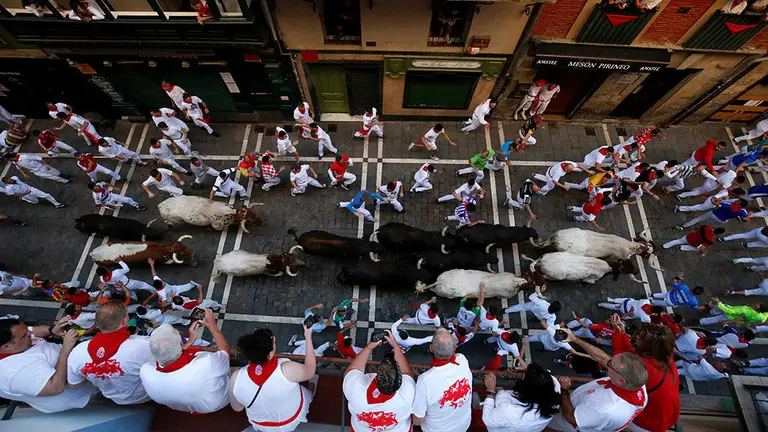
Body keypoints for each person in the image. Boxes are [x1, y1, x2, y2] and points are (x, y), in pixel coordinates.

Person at [548, 329, 649, 432]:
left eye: (610, 365)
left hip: (569, 421)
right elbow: (603, 358)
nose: (606, 364)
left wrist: (564, 391)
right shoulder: (636, 382)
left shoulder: (606, 408)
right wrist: (574, 339)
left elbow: (571, 418)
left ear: (621, 381)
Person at [140, 309, 230, 413]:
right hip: (220, 400)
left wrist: (189, 342)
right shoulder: (205, 362)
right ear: (181, 344)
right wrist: (212, 327)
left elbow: (172, 358)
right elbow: (226, 353)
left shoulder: (145, 371)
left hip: (190, 407)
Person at [229, 325, 318, 431]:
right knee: (306, 393)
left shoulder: (236, 378)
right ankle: (311, 391)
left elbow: (237, 408)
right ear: (270, 354)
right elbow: (310, 370)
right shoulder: (286, 369)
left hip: (261, 425)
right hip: (290, 420)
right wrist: (308, 337)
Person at [0, 317, 95, 413]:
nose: (30, 333)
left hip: (75, 357)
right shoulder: (15, 372)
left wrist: (52, 330)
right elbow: (55, 387)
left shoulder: (15, 335)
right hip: (81, 391)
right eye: (25, 335)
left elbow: (32, 330)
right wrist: (66, 349)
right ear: (6, 347)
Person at [67, 301, 153, 405]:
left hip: (113, 398)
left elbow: (74, 384)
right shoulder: (143, 345)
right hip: (145, 395)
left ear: (98, 324)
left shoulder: (77, 352)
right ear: (124, 321)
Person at [343, 330, 415, 432]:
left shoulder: (356, 390)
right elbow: (408, 374)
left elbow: (351, 371)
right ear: (399, 380)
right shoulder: (408, 393)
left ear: (376, 376)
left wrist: (369, 348)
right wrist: (396, 347)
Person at [411, 327, 473, 432]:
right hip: (463, 426)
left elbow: (417, 421)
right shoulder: (462, 360)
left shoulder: (425, 381)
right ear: (454, 347)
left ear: (431, 348)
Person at [481, 364, 561, 432]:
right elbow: (546, 377)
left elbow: (487, 419)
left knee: (478, 400)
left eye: (523, 376)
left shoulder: (511, 411)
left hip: (499, 422)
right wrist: (527, 369)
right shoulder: (554, 388)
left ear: (525, 390)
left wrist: (490, 391)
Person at [676, 198, 750, 230]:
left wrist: (718, 199)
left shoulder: (728, 205)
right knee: (712, 226)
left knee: (698, 219)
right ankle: (702, 228)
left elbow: (716, 203)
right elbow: (746, 219)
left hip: (713, 214)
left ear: (739, 204)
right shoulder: (743, 212)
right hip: (722, 220)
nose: (736, 200)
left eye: (738, 201)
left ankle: (684, 226)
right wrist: (749, 214)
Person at [4, 153, 69, 185]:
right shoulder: (14, 162)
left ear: (9, 158)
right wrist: (24, 174)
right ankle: (65, 181)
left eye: (7, 159)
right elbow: (19, 168)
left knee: (56, 172)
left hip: (42, 167)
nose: (8, 161)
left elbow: (38, 158)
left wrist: (46, 165)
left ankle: (65, 176)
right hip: (36, 172)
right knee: (51, 177)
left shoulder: (24, 156)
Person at [678, 168, 742, 199]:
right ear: (737, 181)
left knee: (700, 188)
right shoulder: (729, 184)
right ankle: (681, 195)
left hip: (710, 179)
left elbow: (724, 168)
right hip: (710, 186)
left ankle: (692, 190)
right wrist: (718, 195)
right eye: (737, 183)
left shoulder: (733, 173)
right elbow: (720, 189)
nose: (736, 184)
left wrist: (717, 173)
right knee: (698, 192)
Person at [700, 296, 768, 325]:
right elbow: (762, 319)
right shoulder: (760, 316)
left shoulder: (744, 309)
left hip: (729, 313)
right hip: (733, 317)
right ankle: (710, 312)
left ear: (758, 310)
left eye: (755, 306)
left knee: (721, 310)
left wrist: (718, 302)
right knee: (717, 318)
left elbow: (729, 311)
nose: (754, 304)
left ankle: (701, 321)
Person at [675, 187, 744, 214]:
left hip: (711, 202)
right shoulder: (725, 193)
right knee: (697, 208)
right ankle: (679, 208)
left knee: (697, 207)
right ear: (735, 193)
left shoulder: (729, 191)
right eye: (739, 194)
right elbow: (715, 197)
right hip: (711, 202)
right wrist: (722, 199)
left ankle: (680, 208)